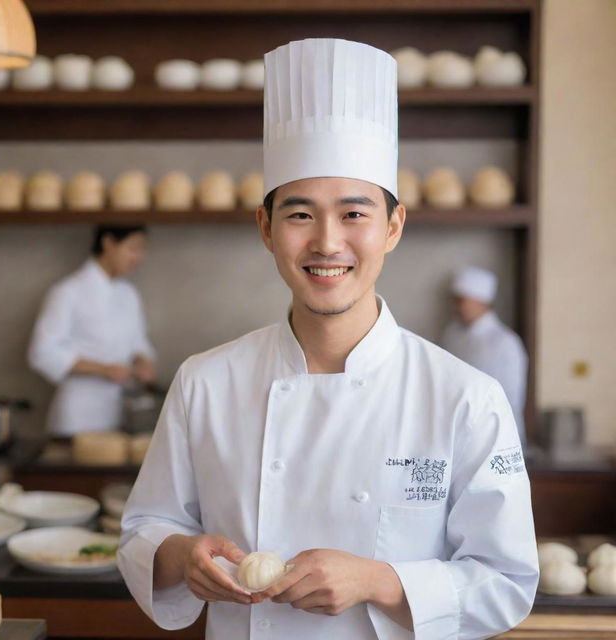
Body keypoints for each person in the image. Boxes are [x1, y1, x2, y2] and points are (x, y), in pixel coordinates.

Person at [118, 39, 538, 640]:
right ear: (266, 228)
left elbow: (507, 582)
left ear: (393, 227)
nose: (327, 243)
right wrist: (181, 557)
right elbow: (143, 531)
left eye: (354, 214)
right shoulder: (205, 381)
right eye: (299, 214)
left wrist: (378, 581)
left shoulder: (465, 396)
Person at [28, 225, 156, 436]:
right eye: (133, 248)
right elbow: (42, 353)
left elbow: (138, 342)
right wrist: (103, 370)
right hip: (77, 416)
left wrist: (143, 361)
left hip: (120, 414)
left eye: (142, 249)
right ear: (108, 243)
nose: (139, 257)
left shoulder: (129, 294)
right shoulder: (68, 292)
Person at [440, 266, 529, 445]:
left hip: (496, 437)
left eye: (461, 301)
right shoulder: (451, 335)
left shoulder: (505, 342)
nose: (456, 307)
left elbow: (510, 399)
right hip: (455, 435)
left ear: (480, 301)